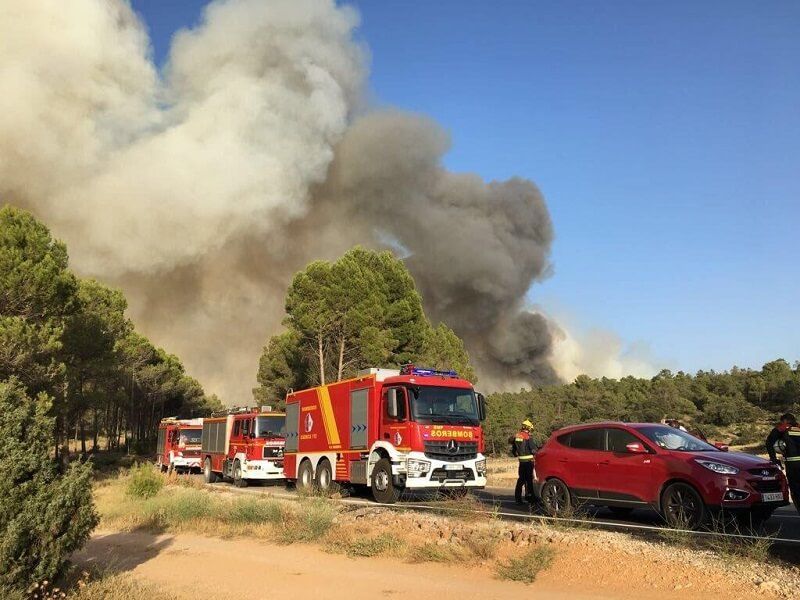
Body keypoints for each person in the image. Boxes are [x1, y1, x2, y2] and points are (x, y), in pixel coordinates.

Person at [512, 419, 538, 504]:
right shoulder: (528, 437)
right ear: (529, 428)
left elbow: (514, 451)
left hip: (521, 462)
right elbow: (533, 450)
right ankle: (531, 498)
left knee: (521, 480)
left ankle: (518, 499)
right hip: (529, 462)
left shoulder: (517, 436)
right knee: (529, 480)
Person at [779, 414, 800, 515]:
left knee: (795, 490)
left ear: (786, 421)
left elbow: (779, 446)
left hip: (792, 466)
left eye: (782, 422)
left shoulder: (784, 431)